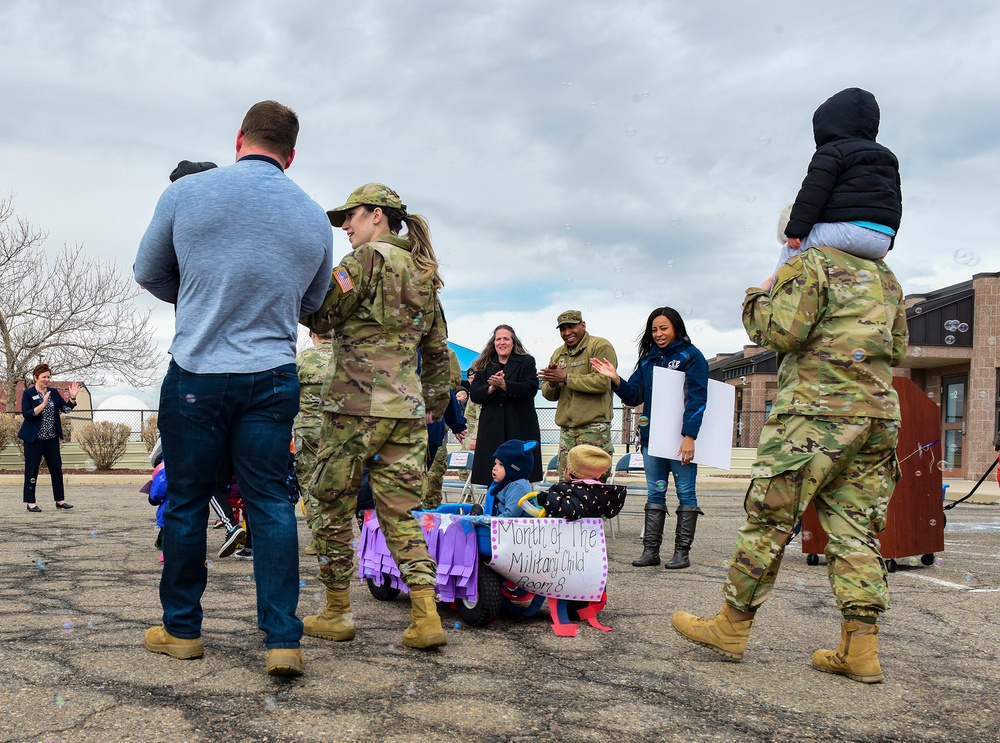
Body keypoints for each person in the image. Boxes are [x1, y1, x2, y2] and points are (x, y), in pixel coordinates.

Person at [134, 100, 334, 676]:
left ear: (239, 138)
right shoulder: (311, 216)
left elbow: (148, 271)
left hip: (198, 370)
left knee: (189, 502)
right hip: (271, 374)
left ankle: (183, 631)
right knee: (271, 502)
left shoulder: (185, 195)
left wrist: (201, 297)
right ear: (291, 154)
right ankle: (282, 640)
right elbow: (314, 304)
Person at [672, 245, 908, 684]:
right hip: (877, 416)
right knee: (855, 529)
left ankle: (731, 626)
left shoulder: (810, 262)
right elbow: (897, 350)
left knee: (769, 520)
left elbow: (781, 331)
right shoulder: (885, 275)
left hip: (813, 416)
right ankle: (861, 648)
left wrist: (756, 293)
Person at [301, 182, 451, 650]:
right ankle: (426, 617)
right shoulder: (425, 271)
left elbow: (322, 319)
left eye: (352, 216)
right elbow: (439, 350)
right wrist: (433, 407)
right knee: (404, 513)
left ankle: (337, 611)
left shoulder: (362, 262)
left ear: (378, 216)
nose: (345, 226)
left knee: (330, 502)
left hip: (355, 406)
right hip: (405, 412)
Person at [591, 307, 708, 570]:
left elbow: (697, 397)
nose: (658, 334)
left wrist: (690, 436)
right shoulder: (648, 360)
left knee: (686, 493)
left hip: (680, 441)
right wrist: (615, 379)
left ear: (676, 327)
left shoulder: (692, 356)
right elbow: (634, 396)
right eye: (654, 330)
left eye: (663, 328)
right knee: (656, 493)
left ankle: (681, 553)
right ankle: (651, 550)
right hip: (653, 439)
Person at [778, 87, 902, 269]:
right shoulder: (888, 156)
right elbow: (895, 201)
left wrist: (796, 230)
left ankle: (772, 292)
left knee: (789, 250)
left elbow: (813, 193)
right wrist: (889, 243)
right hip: (881, 239)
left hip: (848, 232)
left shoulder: (831, 152)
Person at [539, 310, 618, 483]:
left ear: (583, 325)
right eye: (562, 329)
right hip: (567, 431)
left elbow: (603, 382)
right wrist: (552, 382)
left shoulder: (600, 346)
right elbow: (548, 394)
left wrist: (565, 378)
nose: (567, 333)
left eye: (571, 327)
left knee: (594, 484)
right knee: (566, 484)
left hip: (593, 429)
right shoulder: (558, 354)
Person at [469, 326, 542, 485]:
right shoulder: (484, 364)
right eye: (498, 339)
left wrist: (505, 385)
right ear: (493, 343)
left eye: (506, 339)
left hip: (519, 427)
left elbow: (530, 389)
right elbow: (474, 394)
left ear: (513, 341)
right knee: (492, 477)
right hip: (492, 430)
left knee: (519, 476)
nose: (502, 342)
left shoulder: (527, 361)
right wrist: (490, 388)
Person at [294, 330, 336, 555]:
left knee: (310, 480)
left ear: (313, 334)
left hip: (308, 428)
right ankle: (336, 536)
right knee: (337, 480)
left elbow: (290, 391)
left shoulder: (303, 358)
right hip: (338, 429)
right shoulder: (345, 358)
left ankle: (319, 537)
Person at [18, 364, 80, 511]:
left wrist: (72, 398)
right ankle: (30, 502)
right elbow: (27, 414)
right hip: (34, 439)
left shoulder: (53, 392)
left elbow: (65, 409)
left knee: (56, 468)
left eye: (48, 377)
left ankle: (60, 500)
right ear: (35, 378)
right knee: (31, 470)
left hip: (51, 438)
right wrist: (43, 404)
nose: (47, 380)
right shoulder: (28, 393)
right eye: (44, 377)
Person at [533, 444, 627, 522]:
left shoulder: (570, 490)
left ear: (570, 471)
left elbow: (569, 510)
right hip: (590, 537)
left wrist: (547, 498)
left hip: (569, 537)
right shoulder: (599, 491)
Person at [484, 440, 538, 519]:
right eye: (495, 463)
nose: (495, 468)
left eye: (501, 465)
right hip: (505, 526)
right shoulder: (503, 484)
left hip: (519, 529)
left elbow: (510, 516)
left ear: (514, 469)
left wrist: (487, 521)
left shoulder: (518, 487)